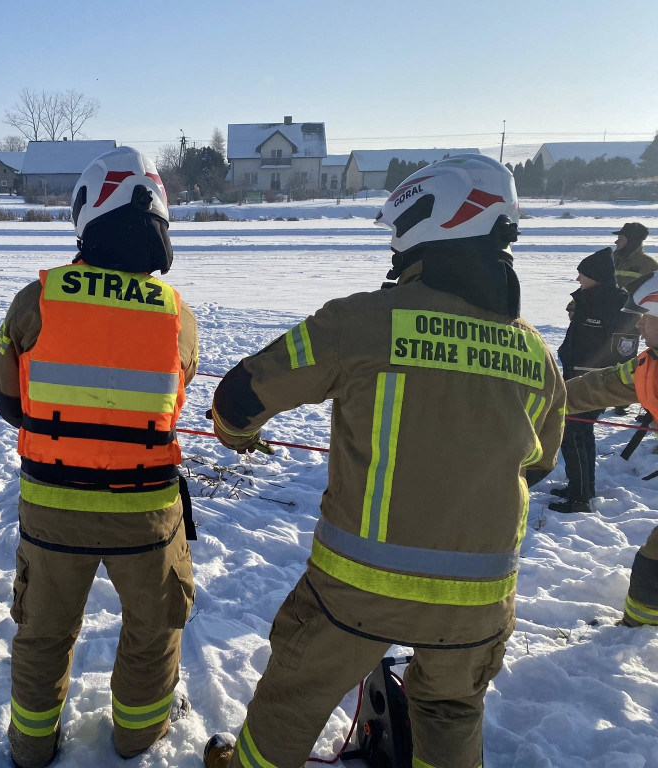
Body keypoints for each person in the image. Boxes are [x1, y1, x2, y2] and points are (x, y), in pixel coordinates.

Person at [202, 155, 565, 768]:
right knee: (450, 712)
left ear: (427, 222)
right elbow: (540, 464)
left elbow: (238, 398)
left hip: (356, 591)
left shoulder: (358, 321)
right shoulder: (537, 354)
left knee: (295, 695)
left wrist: (236, 434)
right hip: (480, 601)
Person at [0, 146, 199, 768]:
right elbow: (171, 404)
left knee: (44, 636)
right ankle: (137, 739)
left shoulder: (38, 300)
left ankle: (30, 749)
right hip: (148, 513)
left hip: (54, 510)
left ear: (88, 214)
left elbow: (9, 401)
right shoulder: (177, 315)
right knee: (153, 632)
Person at [564, 271, 658, 627]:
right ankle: (640, 626)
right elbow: (600, 385)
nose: (638, 329)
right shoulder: (649, 366)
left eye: (647, 319)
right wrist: (540, 398)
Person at [548, 248, 635, 513]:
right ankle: (582, 488)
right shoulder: (590, 299)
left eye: (582, 275)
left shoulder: (615, 305)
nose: (577, 280)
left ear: (595, 277)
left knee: (574, 434)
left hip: (593, 383)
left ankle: (580, 498)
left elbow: (624, 349)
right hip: (576, 376)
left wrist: (600, 376)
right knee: (580, 433)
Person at [613, 222, 657, 289]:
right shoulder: (610, 260)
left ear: (632, 241)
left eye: (621, 238)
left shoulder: (649, 265)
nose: (616, 242)